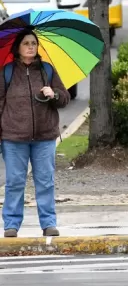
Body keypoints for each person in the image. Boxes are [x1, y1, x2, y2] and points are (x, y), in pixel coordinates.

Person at [0, 29, 70, 238]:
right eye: (26, 43)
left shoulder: (47, 70)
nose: (31, 47)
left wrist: (53, 94)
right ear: (18, 48)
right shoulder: (7, 72)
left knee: (45, 181)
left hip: (44, 137)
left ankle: (48, 223)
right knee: (14, 181)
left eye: (34, 43)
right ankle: (11, 225)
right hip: (13, 138)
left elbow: (64, 98)